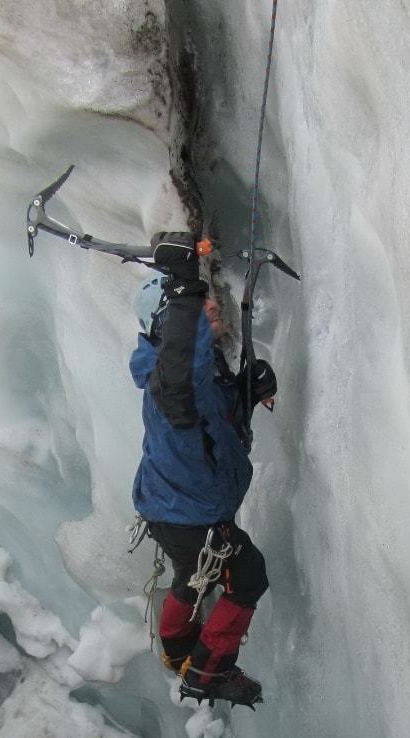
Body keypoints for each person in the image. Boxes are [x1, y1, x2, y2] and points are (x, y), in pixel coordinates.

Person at [129, 232, 277, 707]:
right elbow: (181, 379)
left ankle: (177, 653)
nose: (212, 307)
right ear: (170, 325)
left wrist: (247, 390)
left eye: (209, 301)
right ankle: (208, 674)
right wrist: (183, 288)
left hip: (179, 505)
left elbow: (213, 418)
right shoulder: (171, 383)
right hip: (189, 512)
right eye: (201, 307)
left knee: (197, 576)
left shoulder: (197, 375)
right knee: (247, 575)